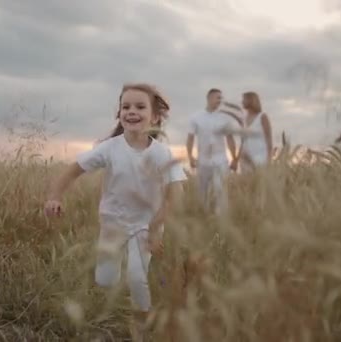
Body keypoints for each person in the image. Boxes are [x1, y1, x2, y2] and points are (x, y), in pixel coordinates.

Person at [44, 83, 186, 340]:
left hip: (146, 225)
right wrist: (54, 197)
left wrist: (156, 229)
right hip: (112, 224)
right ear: (119, 113)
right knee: (106, 280)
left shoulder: (162, 154)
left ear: (155, 116)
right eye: (126, 106)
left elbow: (176, 194)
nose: (132, 111)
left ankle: (141, 325)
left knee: (137, 276)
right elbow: (73, 171)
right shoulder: (110, 148)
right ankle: (116, 291)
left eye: (140, 107)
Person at [186, 88, 237, 214]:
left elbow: (230, 139)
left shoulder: (225, 118)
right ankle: (203, 215)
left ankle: (221, 219)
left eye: (221, 98)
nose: (220, 100)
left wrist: (235, 158)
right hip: (203, 160)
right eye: (217, 97)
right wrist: (190, 157)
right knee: (202, 191)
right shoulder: (196, 117)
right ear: (209, 98)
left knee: (221, 189)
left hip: (220, 160)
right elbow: (190, 139)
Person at [236, 91, 273, 171]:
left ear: (251, 100)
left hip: (260, 158)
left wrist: (269, 159)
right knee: (246, 183)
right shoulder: (243, 119)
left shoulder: (262, 117)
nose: (242, 102)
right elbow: (243, 141)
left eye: (244, 99)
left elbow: (269, 139)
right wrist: (238, 158)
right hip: (245, 159)